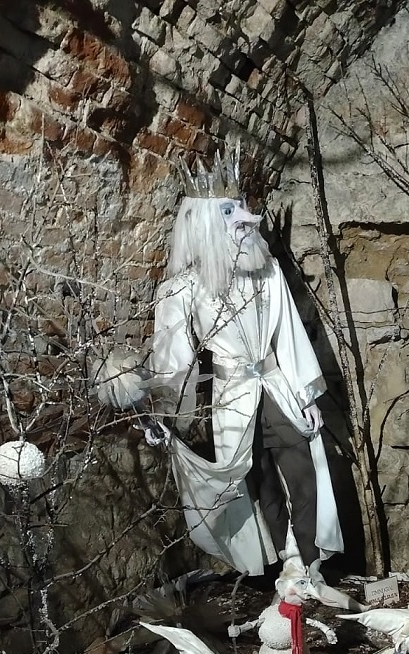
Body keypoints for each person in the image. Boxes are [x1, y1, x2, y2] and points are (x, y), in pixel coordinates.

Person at [146, 144, 343, 578]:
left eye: (240, 207)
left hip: (276, 387)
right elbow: (174, 356)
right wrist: (165, 408)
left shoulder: (268, 274)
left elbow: (287, 332)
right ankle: (284, 570)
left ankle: (310, 563)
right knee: (260, 482)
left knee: (303, 471)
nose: (244, 220)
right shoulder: (182, 289)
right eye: (228, 213)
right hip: (233, 396)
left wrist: (306, 393)